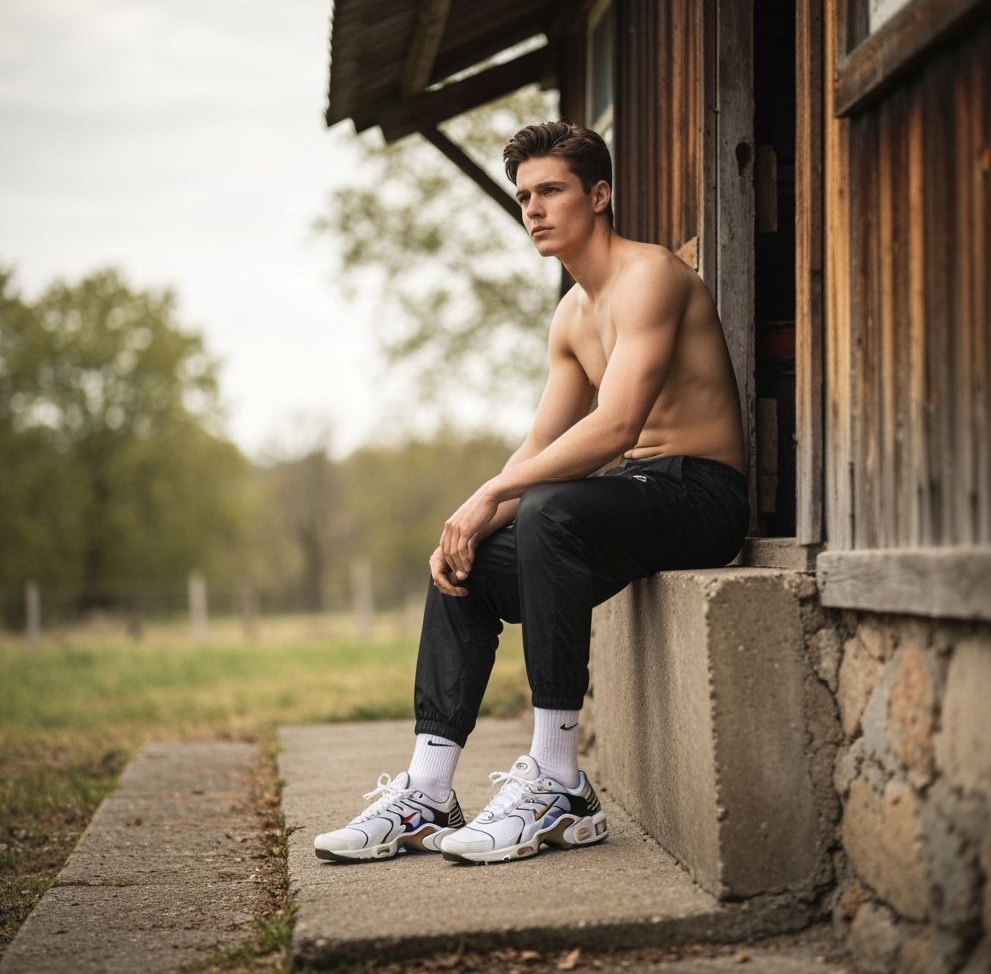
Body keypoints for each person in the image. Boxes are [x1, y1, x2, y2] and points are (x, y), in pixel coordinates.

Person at [314, 121, 749, 865]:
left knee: (545, 507)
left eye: (551, 190)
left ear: (599, 194)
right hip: (628, 497)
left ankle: (558, 782)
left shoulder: (652, 278)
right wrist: (473, 518)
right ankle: (427, 790)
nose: (535, 209)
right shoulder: (572, 315)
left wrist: (494, 492)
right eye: (524, 196)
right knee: (467, 562)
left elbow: (614, 427)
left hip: (701, 495)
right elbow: (543, 448)